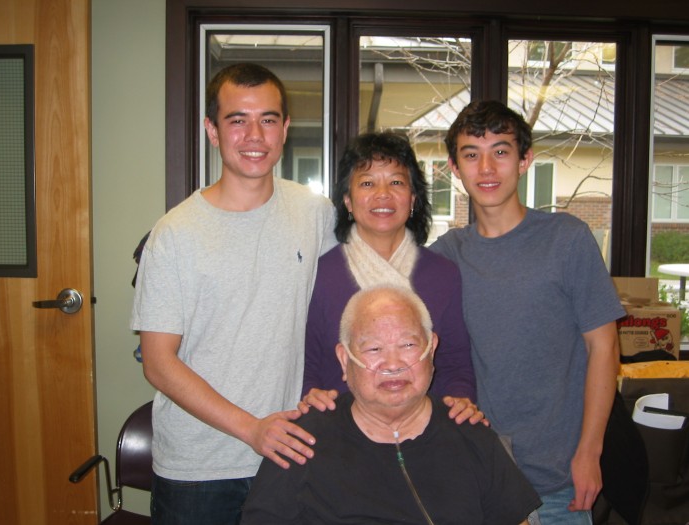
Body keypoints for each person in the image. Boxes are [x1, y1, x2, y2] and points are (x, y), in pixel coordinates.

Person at [130, 63, 336, 525]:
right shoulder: (175, 234)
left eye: (267, 119)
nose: (254, 135)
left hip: (288, 453)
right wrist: (252, 429)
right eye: (237, 120)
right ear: (212, 130)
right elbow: (160, 364)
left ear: (285, 129)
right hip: (197, 468)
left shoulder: (314, 213)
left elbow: (345, 307)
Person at [430, 100, 626, 524]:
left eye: (500, 151)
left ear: (524, 161)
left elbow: (604, 348)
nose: (485, 167)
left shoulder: (566, 239)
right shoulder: (445, 256)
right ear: (453, 167)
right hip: (478, 481)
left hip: (558, 483)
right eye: (471, 154)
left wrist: (590, 452)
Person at [242, 285, 541, 524]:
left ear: (431, 349)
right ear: (345, 360)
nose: (393, 364)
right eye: (373, 348)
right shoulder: (301, 442)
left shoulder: (471, 434)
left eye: (408, 345)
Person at [302, 131, 481, 424]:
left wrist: (460, 401)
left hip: (424, 431)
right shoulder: (319, 274)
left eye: (396, 182)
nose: (382, 194)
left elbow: (455, 361)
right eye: (368, 183)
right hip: (341, 430)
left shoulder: (443, 273)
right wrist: (311, 393)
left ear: (412, 198)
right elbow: (307, 361)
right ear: (348, 200)